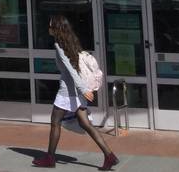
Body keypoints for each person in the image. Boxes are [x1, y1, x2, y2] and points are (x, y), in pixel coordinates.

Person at [32, 15, 118, 170]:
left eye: (51, 25)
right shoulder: (71, 41)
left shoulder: (59, 45)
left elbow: (71, 69)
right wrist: (82, 89)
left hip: (68, 92)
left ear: (57, 28)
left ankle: (50, 158)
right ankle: (109, 155)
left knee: (55, 123)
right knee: (86, 124)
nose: (48, 28)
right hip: (77, 91)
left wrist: (83, 89)